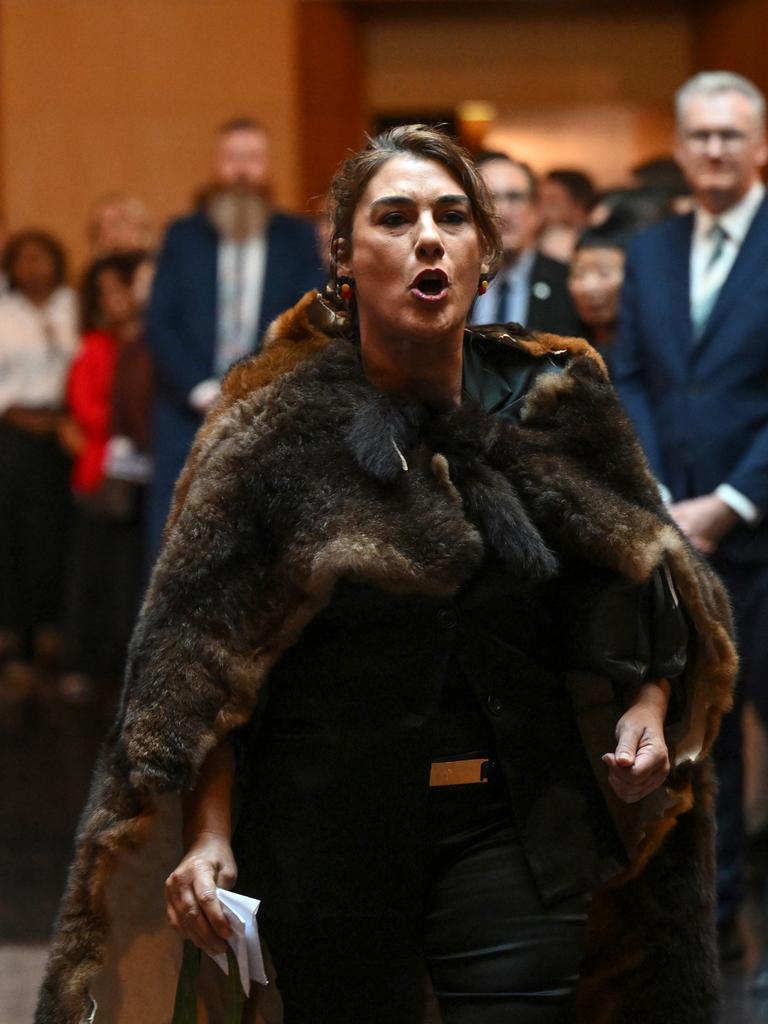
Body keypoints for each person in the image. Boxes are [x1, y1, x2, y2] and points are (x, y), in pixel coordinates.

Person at [37, 127, 736, 1024]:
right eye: (395, 218)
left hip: (520, 825)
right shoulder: (271, 430)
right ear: (344, 257)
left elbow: (634, 585)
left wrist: (644, 711)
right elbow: (200, 664)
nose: (428, 237)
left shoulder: (556, 399)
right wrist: (208, 837)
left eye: (452, 216)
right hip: (327, 835)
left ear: (484, 254)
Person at [612, 70, 768, 958]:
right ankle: (716, 921)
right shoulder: (654, 251)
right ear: (680, 150)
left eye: (730, 135)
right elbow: (631, 373)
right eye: (700, 136)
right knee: (702, 737)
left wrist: (735, 500)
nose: (714, 150)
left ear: (760, 147)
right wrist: (664, 494)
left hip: (759, 522)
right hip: (675, 532)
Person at [145, 116, 325, 564]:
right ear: (215, 167)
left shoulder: (297, 238)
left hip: (268, 415)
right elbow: (159, 322)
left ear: (267, 168)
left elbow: (306, 323)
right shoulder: (182, 236)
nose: (242, 172)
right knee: (175, 552)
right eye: (232, 159)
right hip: (186, 416)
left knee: (262, 554)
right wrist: (199, 389)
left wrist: (252, 387)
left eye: (253, 159)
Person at [58, 251, 154, 699]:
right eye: (107, 293)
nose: (115, 301)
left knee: (132, 575)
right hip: (105, 474)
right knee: (94, 575)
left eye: (121, 289)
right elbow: (86, 407)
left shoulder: (148, 343)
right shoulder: (97, 347)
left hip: (144, 474)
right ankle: (83, 662)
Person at [0, 230, 77, 667]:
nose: (33, 267)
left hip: (65, 430)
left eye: (41, 257)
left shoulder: (73, 304)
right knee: (14, 532)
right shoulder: (4, 311)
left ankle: (54, 627)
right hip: (13, 430)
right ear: (11, 267)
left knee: (57, 531)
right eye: (23, 259)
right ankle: (15, 631)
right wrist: (20, 417)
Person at [470, 152, 581, 335]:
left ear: (536, 210)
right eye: (489, 198)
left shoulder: (566, 283)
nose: (502, 211)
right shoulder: (455, 281)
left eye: (514, 197)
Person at [567, 213, 635, 370]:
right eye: (579, 273)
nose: (589, 287)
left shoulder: (651, 349)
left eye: (604, 273)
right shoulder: (562, 350)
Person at [539, 168, 596, 262]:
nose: (543, 210)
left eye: (552, 202)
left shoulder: (599, 241)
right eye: (541, 201)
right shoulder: (542, 239)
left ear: (580, 201)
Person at [86, 192, 155, 258]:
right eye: (100, 229)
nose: (108, 234)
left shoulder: (155, 263)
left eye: (115, 224)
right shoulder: (98, 268)